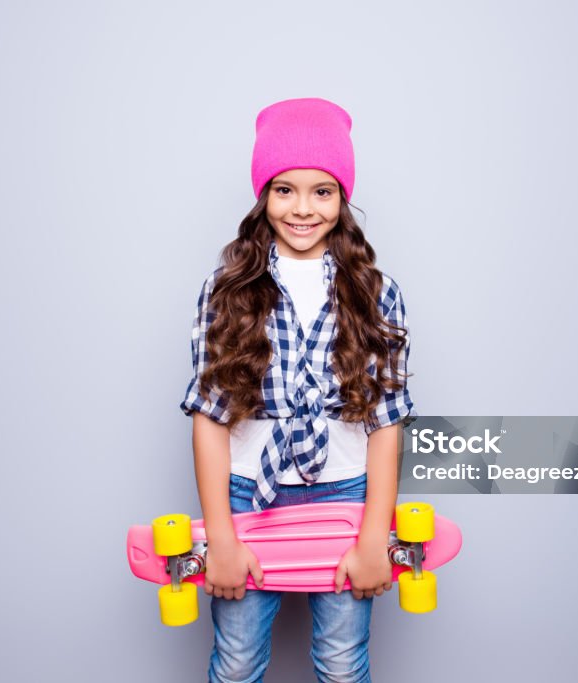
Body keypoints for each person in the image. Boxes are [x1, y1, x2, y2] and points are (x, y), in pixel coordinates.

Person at [180, 97, 416, 683]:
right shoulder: (228, 290)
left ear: (342, 199)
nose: (303, 208)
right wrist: (223, 539)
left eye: (323, 191)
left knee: (341, 662)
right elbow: (209, 418)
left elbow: (386, 424)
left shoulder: (376, 292)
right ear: (263, 197)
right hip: (246, 496)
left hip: (346, 495)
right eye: (284, 190)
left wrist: (372, 536)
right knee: (235, 663)